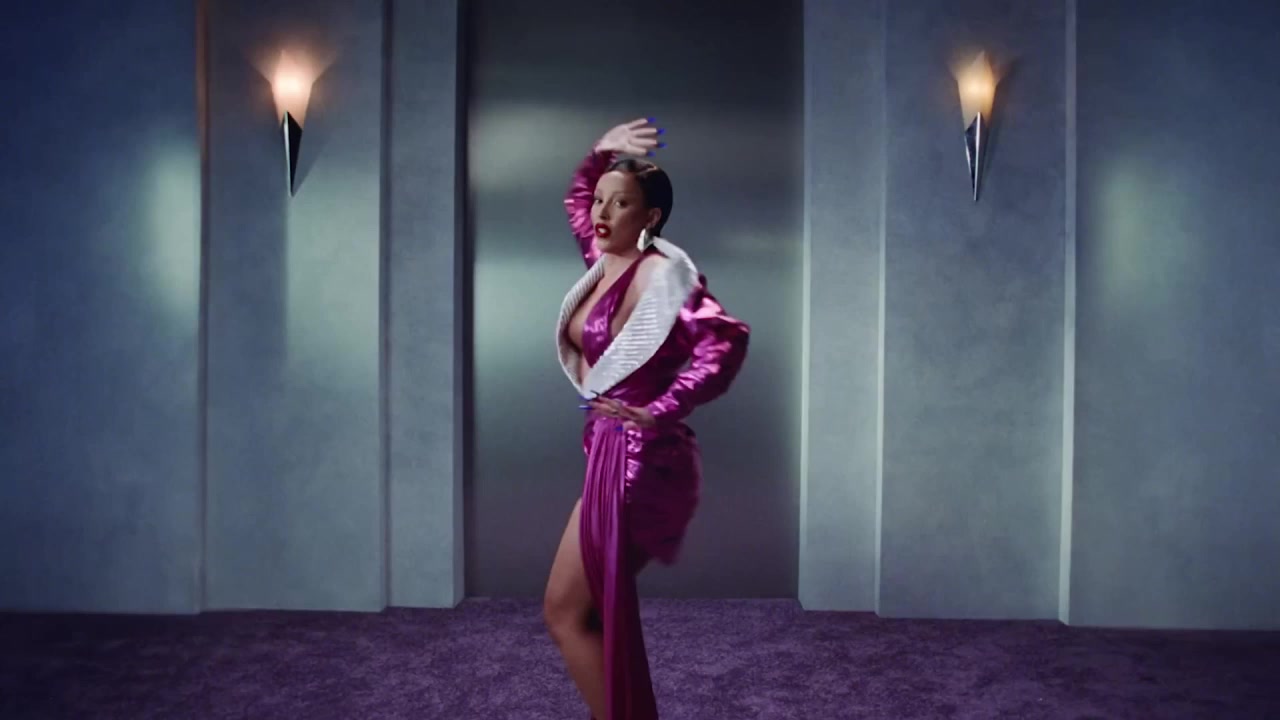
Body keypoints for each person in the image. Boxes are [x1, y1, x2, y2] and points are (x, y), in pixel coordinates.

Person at [542, 117, 750, 720]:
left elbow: (725, 341)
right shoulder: (603, 257)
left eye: (621, 203)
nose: (601, 212)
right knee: (585, 612)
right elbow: (579, 201)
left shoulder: (666, 278)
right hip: (606, 451)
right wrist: (601, 152)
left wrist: (659, 409)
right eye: (601, 200)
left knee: (566, 610)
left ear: (651, 217)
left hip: (643, 462)